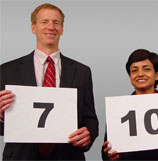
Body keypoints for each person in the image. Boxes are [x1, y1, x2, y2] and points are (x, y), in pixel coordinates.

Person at [0, 3, 99, 160]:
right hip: (21, 156)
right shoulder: (7, 70)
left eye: (56, 22)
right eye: (44, 22)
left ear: (62, 29)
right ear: (33, 27)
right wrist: (1, 115)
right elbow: (3, 128)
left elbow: (90, 118)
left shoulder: (82, 72)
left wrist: (88, 133)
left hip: (68, 156)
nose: (51, 27)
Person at [102, 49, 158, 160]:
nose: (140, 74)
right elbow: (105, 154)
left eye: (146, 69)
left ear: (156, 75)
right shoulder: (118, 108)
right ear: (130, 76)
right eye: (134, 70)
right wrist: (112, 156)